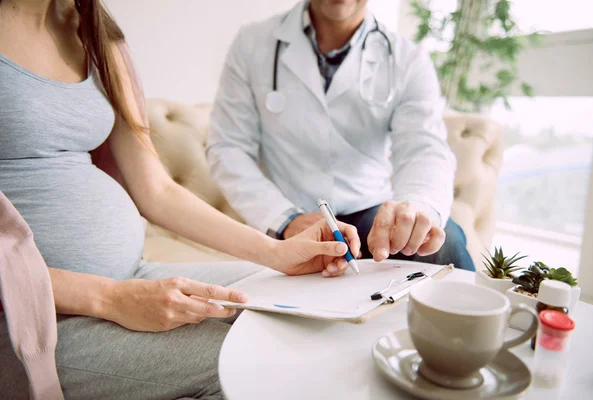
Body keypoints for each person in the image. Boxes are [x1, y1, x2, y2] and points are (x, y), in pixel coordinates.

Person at [0, 0, 360, 398]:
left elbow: (157, 190)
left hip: (132, 274)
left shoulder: (95, 32)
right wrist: (112, 299)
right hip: (33, 315)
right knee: (260, 363)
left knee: (315, 307)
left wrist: (275, 252)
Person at [207, 0, 476, 274]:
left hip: (371, 212)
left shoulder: (407, 58)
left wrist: (416, 207)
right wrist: (286, 219)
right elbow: (228, 147)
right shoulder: (253, 43)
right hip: (292, 214)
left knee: (445, 243)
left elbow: (424, 148)